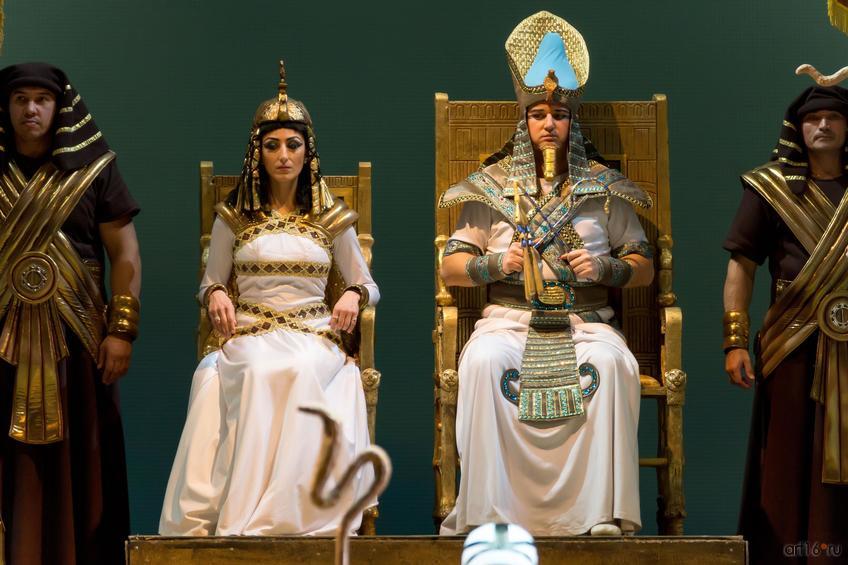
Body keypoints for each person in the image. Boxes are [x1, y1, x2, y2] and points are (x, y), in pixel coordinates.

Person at [438, 11, 653, 537]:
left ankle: (598, 513)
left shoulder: (604, 189)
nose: (549, 123)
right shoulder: (491, 188)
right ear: (525, 121)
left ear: (572, 122)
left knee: (612, 364)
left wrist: (606, 267)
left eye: (558, 113)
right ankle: (490, 511)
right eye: (538, 114)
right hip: (509, 322)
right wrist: (495, 263)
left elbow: (644, 268)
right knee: (483, 362)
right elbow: (451, 267)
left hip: (586, 323)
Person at [159, 62, 379, 536]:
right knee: (254, 372)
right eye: (272, 145)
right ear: (257, 152)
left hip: (314, 333)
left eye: (292, 145)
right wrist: (217, 292)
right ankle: (243, 512)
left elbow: (368, 282)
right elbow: (209, 281)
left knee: (298, 370)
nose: (283, 155)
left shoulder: (331, 217)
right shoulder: (233, 216)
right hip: (250, 331)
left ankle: (294, 512)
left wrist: (354, 293)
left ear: (307, 151)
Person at [0, 63, 141, 565]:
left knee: (83, 458)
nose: (31, 109)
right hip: (3, 341)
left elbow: (125, 253)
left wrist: (121, 331)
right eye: (20, 99)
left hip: (78, 341)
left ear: (59, 108)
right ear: (6, 107)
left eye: (41, 99)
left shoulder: (94, 169)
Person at [723, 71, 848, 564]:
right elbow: (741, 266)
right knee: (786, 454)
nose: (823, 125)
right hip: (791, 340)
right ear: (797, 128)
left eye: (834, 117)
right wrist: (735, 340)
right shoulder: (769, 188)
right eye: (813, 118)